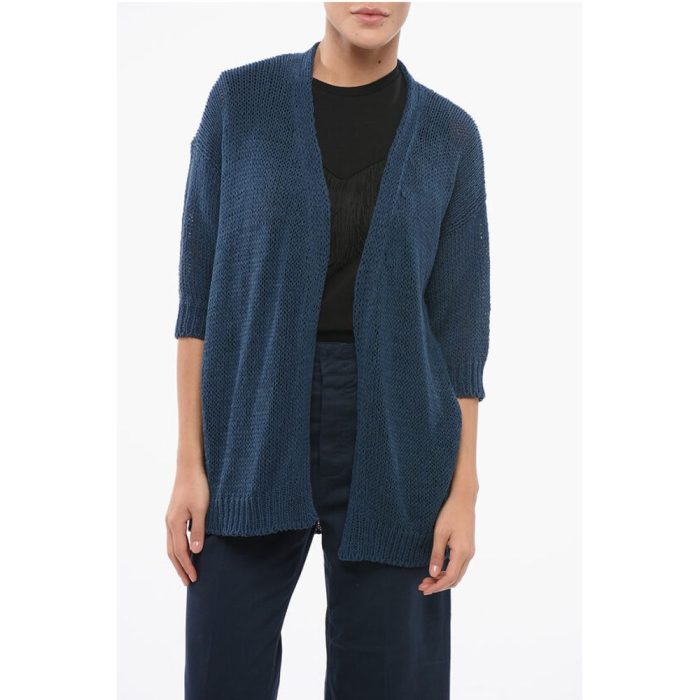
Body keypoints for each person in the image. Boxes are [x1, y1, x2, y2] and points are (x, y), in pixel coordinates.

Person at [166, 3, 490, 698]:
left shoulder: (450, 136)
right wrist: (189, 463)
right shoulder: (240, 103)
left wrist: (464, 491)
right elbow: (197, 302)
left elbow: (461, 337)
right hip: (251, 421)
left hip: (400, 442)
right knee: (223, 671)